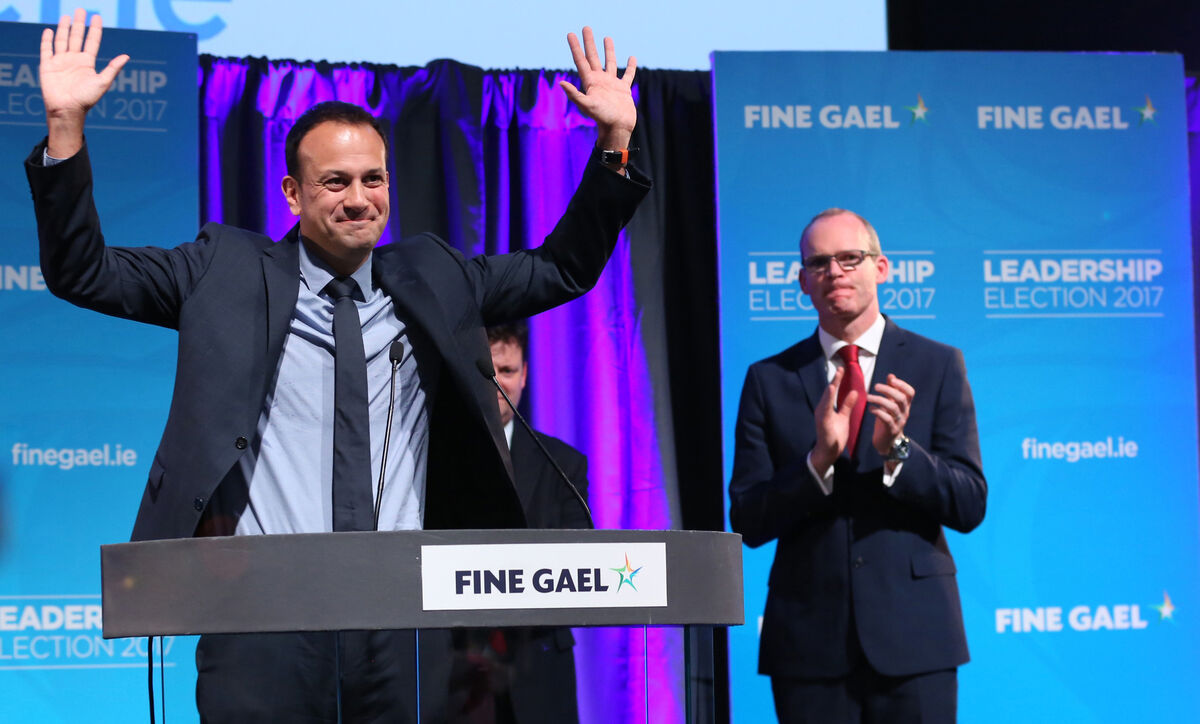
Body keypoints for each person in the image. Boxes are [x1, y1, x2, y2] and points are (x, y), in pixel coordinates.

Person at [25, 8, 647, 722]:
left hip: (405, 613)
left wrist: (615, 139)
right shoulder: (221, 271)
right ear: (292, 193)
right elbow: (83, 271)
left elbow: (562, 269)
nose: (359, 199)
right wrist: (67, 130)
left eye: (374, 179)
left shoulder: (437, 276)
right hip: (261, 612)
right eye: (335, 182)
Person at [728, 209, 987, 723]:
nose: (835, 273)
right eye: (819, 263)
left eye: (850, 258)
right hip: (808, 645)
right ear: (802, 281)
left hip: (917, 640)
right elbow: (749, 520)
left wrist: (898, 451)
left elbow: (969, 502)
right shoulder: (770, 379)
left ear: (882, 267)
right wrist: (816, 462)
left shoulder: (937, 364)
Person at [448, 321, 589, 724]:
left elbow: (581, 558)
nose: (497, 383)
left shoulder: (562, 464)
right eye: (487, 371)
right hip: (459, 670)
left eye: (507, 371)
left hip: (540, 667)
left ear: (524, 375)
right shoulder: (435, 460)